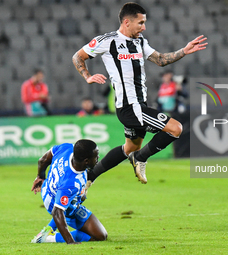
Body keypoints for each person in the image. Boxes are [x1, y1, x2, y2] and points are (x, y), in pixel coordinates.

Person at [72, 2, 207, 185]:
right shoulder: (107, 41)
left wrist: (184, 51)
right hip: (129, 106)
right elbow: (78, 56)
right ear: (127, 22)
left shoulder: (140, 41)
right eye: (141, 23)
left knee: (130, 147)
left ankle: (89, 177)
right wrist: (87, 76)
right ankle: (141, 158)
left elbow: (160, 60)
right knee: (176, 128)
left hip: (139, 105)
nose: (144, 27)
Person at [30, 139, 107, 244]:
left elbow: (42, 160)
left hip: (47, 189)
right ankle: (47, 238)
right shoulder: (70, 184)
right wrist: (70, 242)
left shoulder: (67, 148)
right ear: (86, 161)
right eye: (96, 156)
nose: (98, 158)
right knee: (100, 236)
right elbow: (57, 212)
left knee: (81, 196)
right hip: (55, 203)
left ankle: (49, 229)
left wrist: (40, 176)